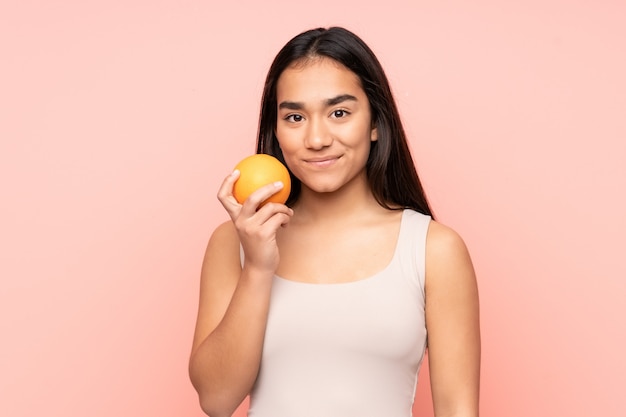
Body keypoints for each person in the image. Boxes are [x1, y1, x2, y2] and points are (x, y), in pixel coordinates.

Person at [189, 26, 480, 417]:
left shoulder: (433, 249)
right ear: (276, 131)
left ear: (375, 123)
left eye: (339, 113)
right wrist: (258, 267)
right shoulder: (235, 241)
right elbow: (216, 400)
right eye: (294, 116)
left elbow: (457, 409)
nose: (316, 138)